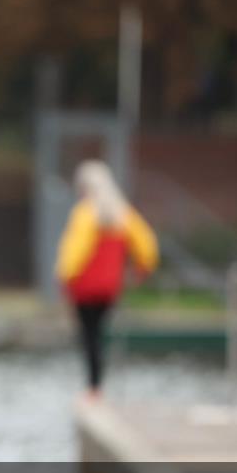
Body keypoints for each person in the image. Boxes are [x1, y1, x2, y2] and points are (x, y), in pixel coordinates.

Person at [55, 159, 158, 402]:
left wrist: (64, 277)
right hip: (110, 288)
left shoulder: (85, 213)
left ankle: (93, 386)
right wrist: (142, 269)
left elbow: (75, 252)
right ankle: (97, 384)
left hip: (84, 287)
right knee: (99, 334)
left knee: (88, 335)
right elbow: (147, 244)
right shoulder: (123, 214)